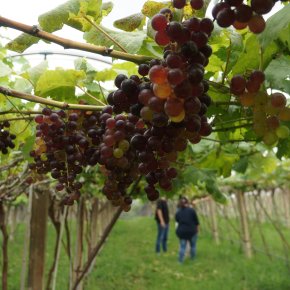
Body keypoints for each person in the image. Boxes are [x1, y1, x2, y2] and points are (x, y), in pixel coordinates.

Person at [175, 197, 199, 263]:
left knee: (182, 247)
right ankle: (193, 259)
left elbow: (177, 220)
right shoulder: (192, 210)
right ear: (187, 203)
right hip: (192, 231)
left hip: (182, 232)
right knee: (193, 246)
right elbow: (197, 222)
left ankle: (180, 261)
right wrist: (197, 231)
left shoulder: (178, 212)